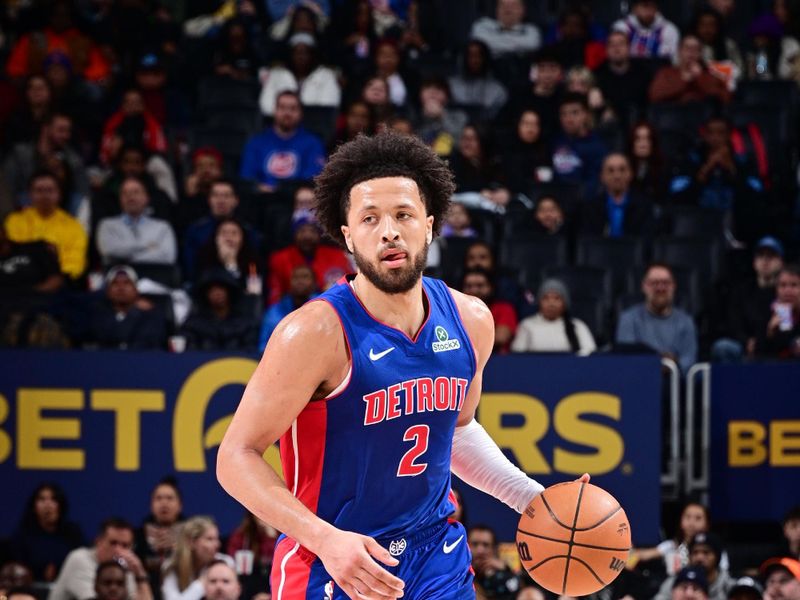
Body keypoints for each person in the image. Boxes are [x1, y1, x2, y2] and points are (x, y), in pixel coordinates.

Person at [216, 133, 588, 598]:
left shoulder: (472, 320)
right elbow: (236, 457)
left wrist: (531, 499)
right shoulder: (313, 333)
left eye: (403, 215)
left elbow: (455, 430)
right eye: (369, 219)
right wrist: (324, 539)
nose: (388, 231)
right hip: (334, 558)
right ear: (348, 236)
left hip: (434, 553)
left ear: (429, 226)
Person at [4, 170, 87, 280]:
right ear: (29, 194)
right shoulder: (15, 221)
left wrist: (56, 279)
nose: (45, 195)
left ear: (59, 194)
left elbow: (75, 264)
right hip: (19, 280)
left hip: (58, 285)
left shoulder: (73, 226)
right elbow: (11, 253)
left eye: (50, 190)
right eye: (39, 190)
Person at [615, 262, 698, 372]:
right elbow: (626, 361)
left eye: (666, 283)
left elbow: (689, 363)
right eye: (654, 283)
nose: (660, 288)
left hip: (676, 385)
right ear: (644, 287)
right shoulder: (628, 319)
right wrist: (661, 361)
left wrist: (673, 364)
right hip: (639, 382)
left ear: (673, 286)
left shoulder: (686, 322)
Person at [712, 236, 784, 361]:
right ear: (754, 262)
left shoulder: (786, 292)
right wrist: (746, 341)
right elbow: (734, 323)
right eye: (761, 256)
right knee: (723, 347)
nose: (765, 261)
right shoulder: (741, 291)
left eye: (771, 256)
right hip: (745, 347)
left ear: (781, 262)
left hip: (776, 347)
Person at [240, 91, 326, 193]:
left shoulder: (313, 143)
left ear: (301, 113)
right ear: (275, 110)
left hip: (296, 200)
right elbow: (247, 177)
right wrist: (260, 188)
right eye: (282, 107)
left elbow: (313, 177)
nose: (287, 113)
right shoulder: (256, 142)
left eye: (293, 108)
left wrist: (283, 190)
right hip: (262, 199)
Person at [48, 518, 151, 600]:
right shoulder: (79, 559)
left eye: (125, 546)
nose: (119, 551)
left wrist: (139, 572)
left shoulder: (124, 569)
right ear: (98, 542)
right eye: (113, 543)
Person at [266, 209, 352, 306]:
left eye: (312, 231)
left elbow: (349, 288)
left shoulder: (338, 256)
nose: (307, 236)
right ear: (294, 233)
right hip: (290, 311)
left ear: (319, 234)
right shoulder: (279, 259)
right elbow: (274, 296)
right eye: (302, 231)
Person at [95, 177, 177, 267]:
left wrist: (128, 260)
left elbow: (168, 256)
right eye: (125, 193)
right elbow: (108, 250)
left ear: (146, 198)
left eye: (136, 192)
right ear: (120, 199)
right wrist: (147, 247)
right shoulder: (107, 225)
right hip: (120, 278)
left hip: (154, 277)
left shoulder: (162, 227)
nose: (130, 197)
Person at [10, 483, 84, 583]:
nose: (47, 505)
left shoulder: (73, 533)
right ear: (34, 506)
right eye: (42, 499)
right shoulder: (22, 536)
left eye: (53, 500)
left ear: (60, 505)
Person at [258, 33, 340, 117]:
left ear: (312, 55)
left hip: (316, 125)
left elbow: (329, 106)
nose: (300, 57)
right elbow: (266, 106)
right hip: (281, 124)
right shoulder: (277, 74)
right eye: (297, 52)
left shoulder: (326, 76)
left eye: (305, 52)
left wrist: (298, 115)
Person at [87, 266, 166, 350]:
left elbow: (146, 342)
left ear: (136, 289)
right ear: (107, 290)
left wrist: (134, 311)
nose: (121, 288)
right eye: (115, 283)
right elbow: (103, 337)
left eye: (127, 283)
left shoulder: (151, 316)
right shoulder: (97, 314)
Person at [179, 269, 260, 352]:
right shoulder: (193, 324)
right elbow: (189, 354)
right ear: (205, 294)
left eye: (221, 289)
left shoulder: (245, 322)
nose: (217, 293)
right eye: (212, 290)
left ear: (229, 291)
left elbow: (251, 350)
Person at [511, 278, 596, 355]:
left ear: (565, 303)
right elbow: (517, 354)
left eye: (557, 298)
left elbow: (589, 352)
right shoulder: (527, 325)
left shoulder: (577, 325)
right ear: (539, 302)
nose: (551, 304)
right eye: (546, 298)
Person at [580, 153, 654, 238]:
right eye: (610, 170)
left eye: (622, 170)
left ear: (630, 174)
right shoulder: (589, 208)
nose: (617, 176)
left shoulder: (644, 207)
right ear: (602, 176)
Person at [161, 517, 232, 600]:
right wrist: (202, 582)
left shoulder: (225, 563)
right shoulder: (171, 566)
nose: (217, 545)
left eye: (217, 539)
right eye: (210, 539)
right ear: (192, 542)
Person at [648, 35, 731, 106]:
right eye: (687, 48)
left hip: (703, 116)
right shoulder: (666, 72)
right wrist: (684, 81)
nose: (691, 52)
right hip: (674, 116)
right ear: (679, 51)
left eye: (695, 49)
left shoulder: (711, 73)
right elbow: (654, 96)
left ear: (700, 53)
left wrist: (700, 77)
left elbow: (725, 98)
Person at [134, 478, 185, 594]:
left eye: (169, 498)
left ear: (180, 505)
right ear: (151, 505)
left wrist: (178, 548)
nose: (164, 503)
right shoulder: (138, 536)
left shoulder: (191, 535)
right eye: (159, 498)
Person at [593, 31, 652, 129]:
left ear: (629, 48)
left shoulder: (643, 72)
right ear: (606, 50)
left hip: (638, 123)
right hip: (608, 125)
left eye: (621, 44)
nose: (617, 49)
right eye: (612, 45)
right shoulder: (598, 75)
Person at [551, 92, 608, 194]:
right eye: (564, 114)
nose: (569, 119)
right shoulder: (555, 141)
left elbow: (595, 184)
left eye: (575, 112)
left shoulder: (597, 146)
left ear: (586, 114)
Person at [655, 533, 734, 600]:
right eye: (695, 552)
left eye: (706, 552)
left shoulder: (729, 585)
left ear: (717, 557)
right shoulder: (677, 580)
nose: (699, 558)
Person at [258, 264, 318, 351]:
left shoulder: (323, 307)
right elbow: (263, 346)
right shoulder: (274, 312)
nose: (300, 281)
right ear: (289, 282)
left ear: (314, 283)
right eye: (295, 277)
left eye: (305, 277)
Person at [460, 267, 518, 354]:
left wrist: (461, 340)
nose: (473, 290)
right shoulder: (455, 310)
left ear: (490, 287)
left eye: (480, 286)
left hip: (498, 360)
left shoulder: (504, 308)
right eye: (468, 286)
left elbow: (500, 338)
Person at [447, 40, 509, 120]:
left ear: (486, 59)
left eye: (478, 56)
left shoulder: (499, 91)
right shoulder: (449, 86)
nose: (474, 60)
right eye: (470, 56)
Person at [755, 264, 800, 359]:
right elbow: (756, 356)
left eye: (794, 285)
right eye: (783, 285)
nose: (788, 290)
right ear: (776, 289)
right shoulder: (766, 313)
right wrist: (770, 332)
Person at [612, 0, 680, 61]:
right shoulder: (622, 27)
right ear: (634, 9)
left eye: (652, 6)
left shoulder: (668, 30)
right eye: (645, 6)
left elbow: (672, 59)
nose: (648, 11)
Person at [470, 0, 541, 58]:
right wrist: (519, 46)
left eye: (513, 6)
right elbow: (480, 44)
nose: (507, 10)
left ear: (522, 10)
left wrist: (495, 44)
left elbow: (533, 44)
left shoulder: (531, 30)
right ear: (496, 9)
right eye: (503, 5)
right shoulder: (482, 25)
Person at [467, 525, 522, 599]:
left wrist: (506, 569)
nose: (480, 550)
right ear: (466, 546)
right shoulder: (456, 573)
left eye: (485, 545)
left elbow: (521, 590)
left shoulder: (503, 572)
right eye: (475, 544)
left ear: (494, 549)